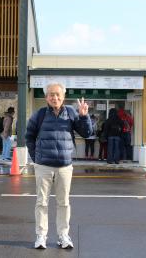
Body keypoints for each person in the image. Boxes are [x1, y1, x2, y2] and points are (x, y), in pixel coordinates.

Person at [26, 82, 92, 250]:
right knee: (42, 202)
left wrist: (84, 116)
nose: (54, 97)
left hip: (64, 167)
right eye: (51, 94)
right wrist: (36, 158)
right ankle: (41, 235)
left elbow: (86, 133)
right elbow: (29, 137)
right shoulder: (39, 115)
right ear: (46, 97)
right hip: (43, 166)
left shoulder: (71, 112)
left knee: (63, 202)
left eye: (57, 94)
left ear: (63, 96)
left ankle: (63, 235)